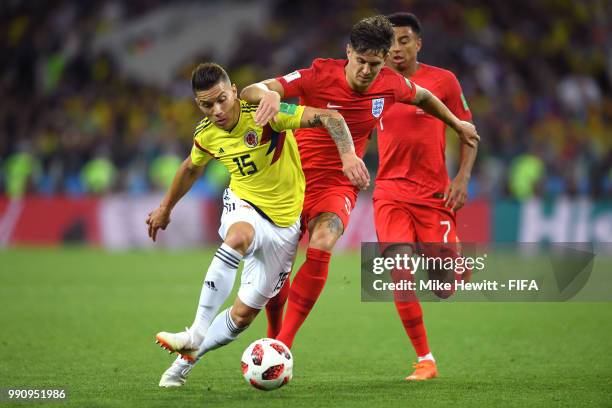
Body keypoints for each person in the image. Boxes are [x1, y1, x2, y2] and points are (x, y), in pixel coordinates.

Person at [240, 15, 480, 350]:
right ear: (348, 52)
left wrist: (456, 123)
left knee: (322, 243)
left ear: (383, 62)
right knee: (278, 273)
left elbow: (423, 96)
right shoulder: (318, 75)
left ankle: (284, 345)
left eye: (374, 64)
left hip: (339, 182)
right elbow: (252, 90)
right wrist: (268, 93)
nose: (366, 71)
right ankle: (273, 337)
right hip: (291, 181)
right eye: (361, 62)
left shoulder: (390, 83)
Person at [146, 62, 359, 387]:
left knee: (243, 316)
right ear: (198, 105)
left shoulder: (266, 114)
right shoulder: (206, 134)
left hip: (285, 225)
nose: (216, 110)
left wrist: (347, 156)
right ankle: (196, 330)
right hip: (244, 206)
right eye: (206, 104)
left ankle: (186, 359)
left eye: (221, 99)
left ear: (233, 92)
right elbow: (191, 167)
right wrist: (165, 207)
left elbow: (333, 118)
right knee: (238, 235)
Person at [373, 12, 479, 381]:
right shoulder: (372, 81)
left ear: (418, 43)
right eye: (391, 42)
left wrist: (463, 178)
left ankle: (454, 268)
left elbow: (468, 132)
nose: (397, 49)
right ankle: (425, 360)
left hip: (434, 194)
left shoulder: (443, 81)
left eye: (404, 41)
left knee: (443, 286)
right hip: (389, 192)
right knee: (399, 270)